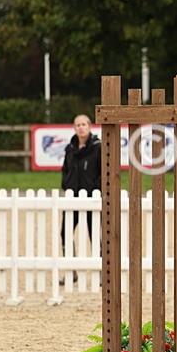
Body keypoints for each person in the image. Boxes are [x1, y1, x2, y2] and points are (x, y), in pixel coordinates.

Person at [60, 114, 101, 280]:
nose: (81, 127)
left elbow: (103, 171)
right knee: (65, 233)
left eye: (84, 124)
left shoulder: (98, 147)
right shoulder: (70, 149)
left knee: (95, 234)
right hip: (72, 198)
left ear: (89, 126)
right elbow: (65, 169)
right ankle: (71, 271)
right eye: (78, 125)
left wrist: (95, 187)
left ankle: (100, 272)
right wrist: (66, 184)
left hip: (92, 198)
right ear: (74, 127)